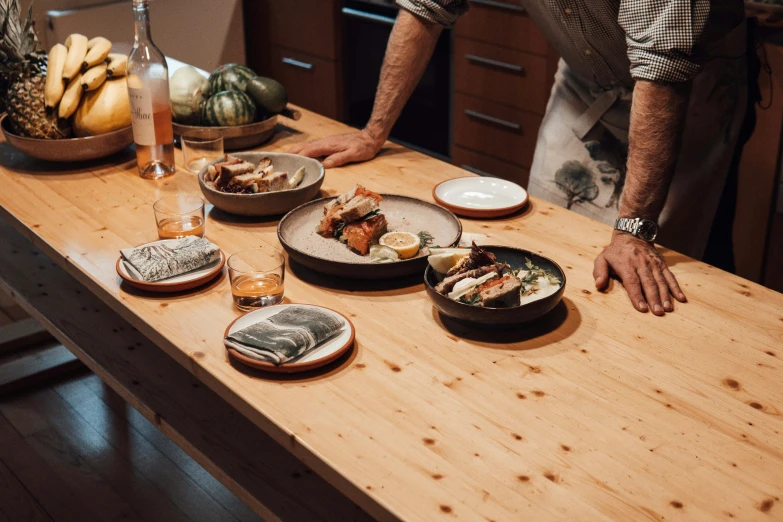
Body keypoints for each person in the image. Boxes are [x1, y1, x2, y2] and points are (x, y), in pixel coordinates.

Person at [289, 1, 748, 316]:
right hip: (587, 79)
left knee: (648, 275)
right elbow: (425, 9)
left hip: (685, 90)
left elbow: (661, 65)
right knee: (542, 253)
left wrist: (632, 230)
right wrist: (373, 133)